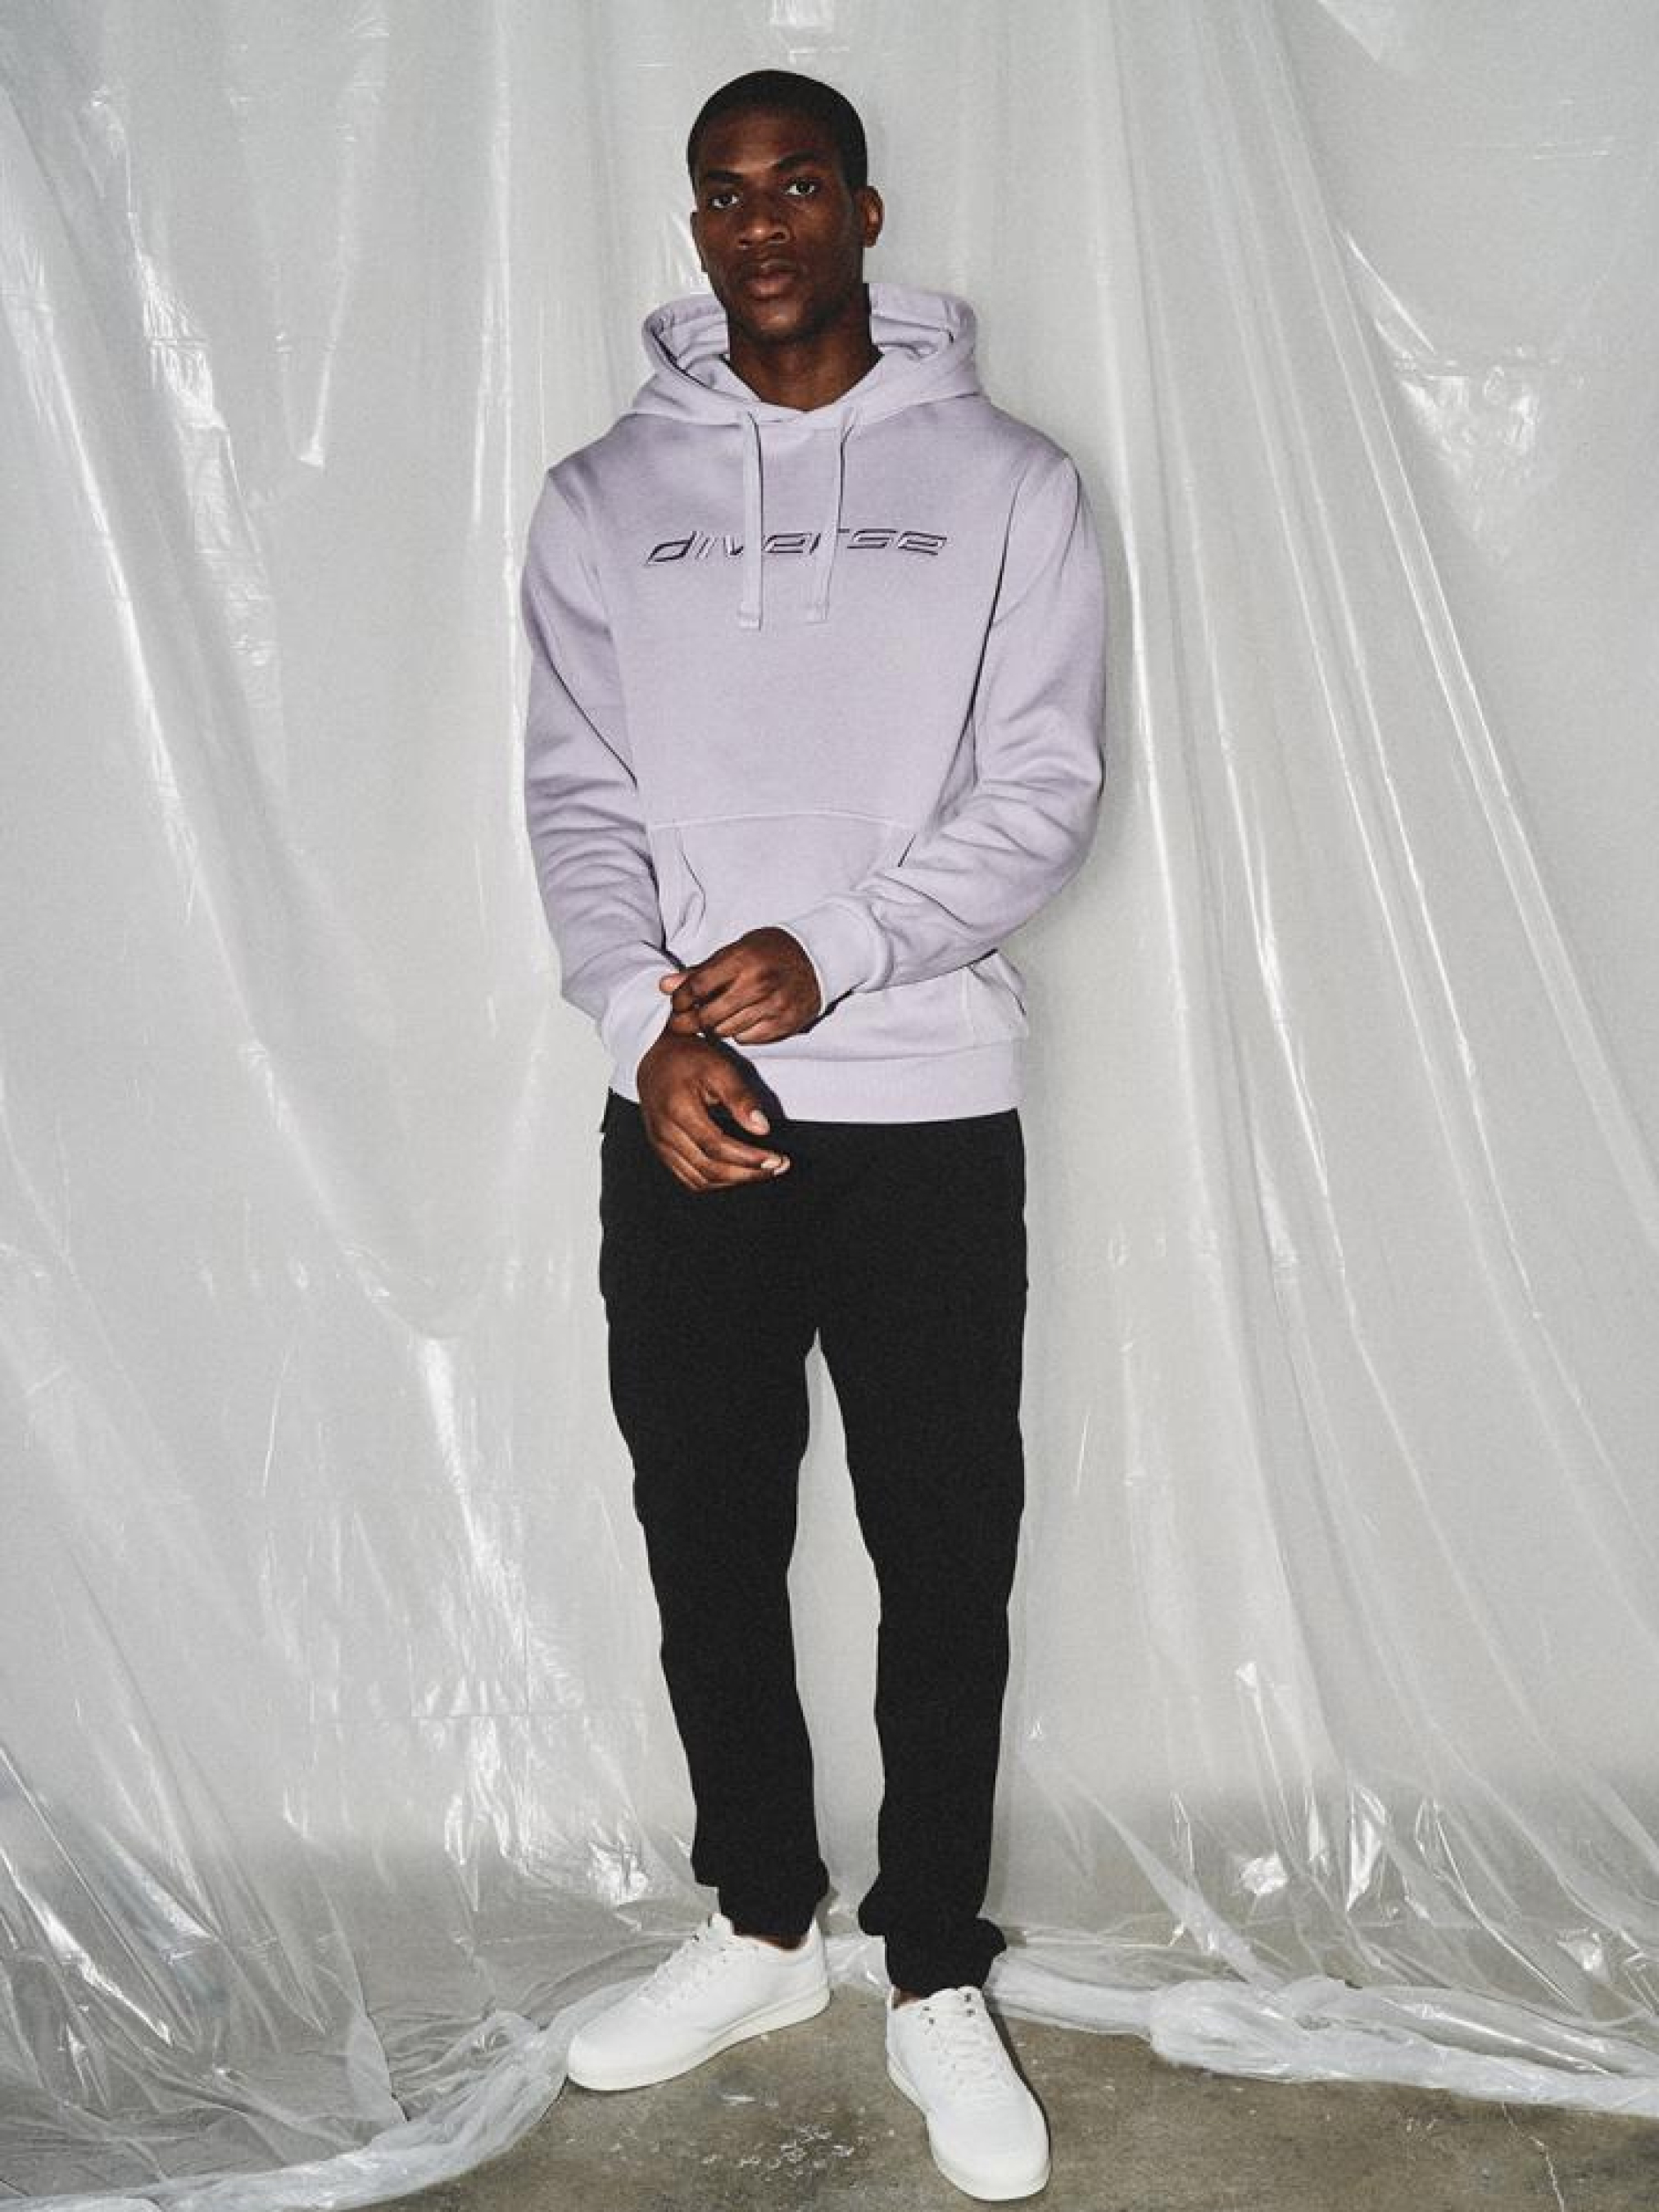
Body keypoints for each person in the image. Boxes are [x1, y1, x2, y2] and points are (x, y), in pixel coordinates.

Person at [519, 66, 1106, 2203]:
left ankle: (933, 1966)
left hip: (926, 1101)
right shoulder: (602, 496)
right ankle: (765, 1926)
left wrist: (840, 945)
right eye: (722, 195)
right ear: (696, 228)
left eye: (795, 186)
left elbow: (1042, 791)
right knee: (709, 1531)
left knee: (944, 1544)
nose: (757, 225)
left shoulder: (1009, 483)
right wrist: (638, 1030)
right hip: (692, 1107)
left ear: (863, 210)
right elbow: (576, 800)